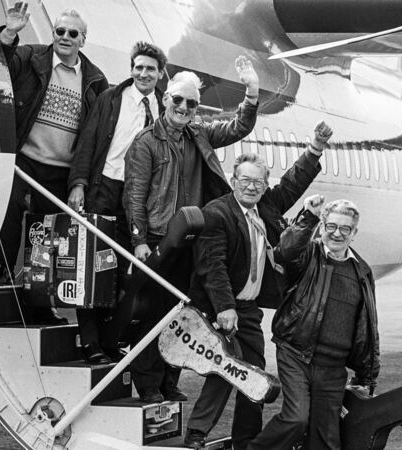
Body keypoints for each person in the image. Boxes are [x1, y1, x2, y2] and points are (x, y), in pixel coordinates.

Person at [183, 122, 333, 449]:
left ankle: (245, 441)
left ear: (265, 185)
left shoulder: (264, 207)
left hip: (248, 311)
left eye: (258, 182)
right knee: (225, 368)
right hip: (218, 309)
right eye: (245, 180)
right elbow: (213, 266)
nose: (251, 187)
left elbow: (292, 185)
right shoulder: (217, 213)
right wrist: (224, 308)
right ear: (233, 181)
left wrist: (316, 148)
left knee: (254, 376)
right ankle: (196, 435)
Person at [122, 56, 259, 403]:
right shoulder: (146, 142)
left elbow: (238, 127)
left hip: (192, 240)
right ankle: (149, 385)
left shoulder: (199, 134)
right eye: (178, 100)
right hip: (159, 239)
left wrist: (252, 91)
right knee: (152, 315)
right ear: (165, 98)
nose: (183, 107)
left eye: (191, 103)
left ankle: (170, 381)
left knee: (184, 315)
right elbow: (134, 195)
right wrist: (138, 241)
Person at [0, 3, 108, 324]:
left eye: (72, 33)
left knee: (46, 236)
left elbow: (96, 136)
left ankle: (40, 302)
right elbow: (0, 63)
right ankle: (0, 275)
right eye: (59, 31)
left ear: (83, 39)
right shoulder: (31, 57)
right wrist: (9, 33)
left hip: (61, 171)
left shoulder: (95, 80)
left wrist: (80, 182)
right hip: (26, 159)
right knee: (11, 208)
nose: (64, 37)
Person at [246, 197, 381, 450]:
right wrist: (307, 217)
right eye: (331, 226)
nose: (337, 233)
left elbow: (368, 325)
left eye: (345, 228)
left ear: (354, 233)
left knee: (325, 440)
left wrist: (367, 375)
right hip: (296, 353)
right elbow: (284, 251)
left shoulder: (361, 271)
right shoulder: (308, 253)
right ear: (322, 226)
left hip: (333, 366)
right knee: (297, 418)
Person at [65, 41, 167, 364]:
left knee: (124, 273)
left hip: (139, 198)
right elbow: (88, 141)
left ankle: (111, 339)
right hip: (105, 188)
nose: (143, 73)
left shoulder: (166, 109)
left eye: (150, 68)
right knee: (91, 267)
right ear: (131, 68)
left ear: (160, 74)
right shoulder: (112, 99)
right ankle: (91, 342)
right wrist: (78, 184)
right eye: (138, 67)